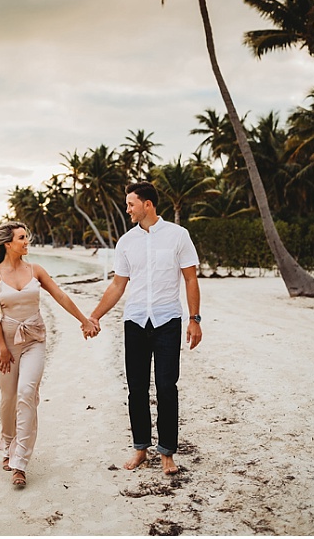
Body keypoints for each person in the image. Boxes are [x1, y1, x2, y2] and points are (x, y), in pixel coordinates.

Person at [89, 181, 202, 476]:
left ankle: (167, 453)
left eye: (131, 204)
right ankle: (141, 448)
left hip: (168, 321)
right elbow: (117, 285)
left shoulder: (179, 236)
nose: (127, 209)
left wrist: (195, 319)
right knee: (136, 389)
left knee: (167, 388)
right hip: (135, 322)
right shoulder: (126, 242)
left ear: (147, 205)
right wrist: (95, 315)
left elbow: (190, 279)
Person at [0, 221, 100, 488]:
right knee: (8, 398)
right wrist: (2, 347)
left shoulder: (36, 270)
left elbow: (60, 295)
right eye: (22, 238)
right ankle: (8, 441)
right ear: (7, 243)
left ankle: (19, 463)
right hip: (7, 343)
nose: (27, 242)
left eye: (27, 237)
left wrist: (84, 320)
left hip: (35, 338)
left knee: (26, 394)